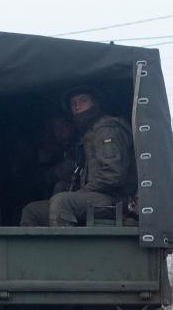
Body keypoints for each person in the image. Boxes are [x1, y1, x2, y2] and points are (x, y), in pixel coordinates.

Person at [20, 85, 135, 226]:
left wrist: (83, 191)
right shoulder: (88, 134)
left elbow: (113, 175)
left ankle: (63, 248)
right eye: (73, 103)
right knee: (32, 211)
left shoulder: (107, 130)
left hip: (115, 200)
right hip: (98, 197)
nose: (77, 107)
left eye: (83, 100)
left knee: (62, 202)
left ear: (96, 103)